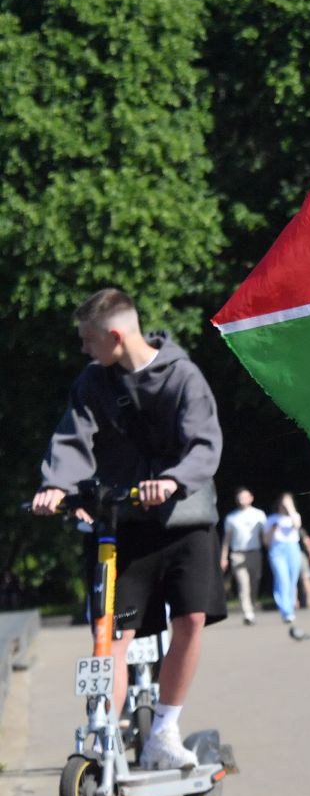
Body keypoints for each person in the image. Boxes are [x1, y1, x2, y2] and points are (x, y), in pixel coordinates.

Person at [32, 288, 226, 770]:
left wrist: (174, 480)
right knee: (112, 633)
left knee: (190, 620)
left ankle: (164, 730)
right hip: (127, 522)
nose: (84, 349)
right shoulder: (93, 382)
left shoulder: (183, 377)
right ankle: (104, 732)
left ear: (116, 336)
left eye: (88, 339)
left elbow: (204, 443)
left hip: (185, 519)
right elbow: (73, 438)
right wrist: (56, 486)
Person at [262, 493, 310, 641]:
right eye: (282, 505)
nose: (283, 507)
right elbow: (266, 542)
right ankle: (286, 611)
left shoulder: (294, 516)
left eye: (286, 505)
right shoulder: (271, 519)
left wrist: (290, 506)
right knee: (282, 579)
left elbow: (297, 525)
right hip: (277, 550)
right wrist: (273, 530)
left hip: (292, 549)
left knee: (292, 580)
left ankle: (290, 608)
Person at [220, 487, 267, 626]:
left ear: (251, 498)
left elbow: (265, 536)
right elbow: (226, 539)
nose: (242, 500)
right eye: (240, 497)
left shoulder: (259, 514)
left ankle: (251, 606)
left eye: (245, 497)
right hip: (238, 555)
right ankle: (248, 614)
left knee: (254, 583)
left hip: (255, 553)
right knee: (243, 584)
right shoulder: (231, 517)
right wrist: (223, 557)